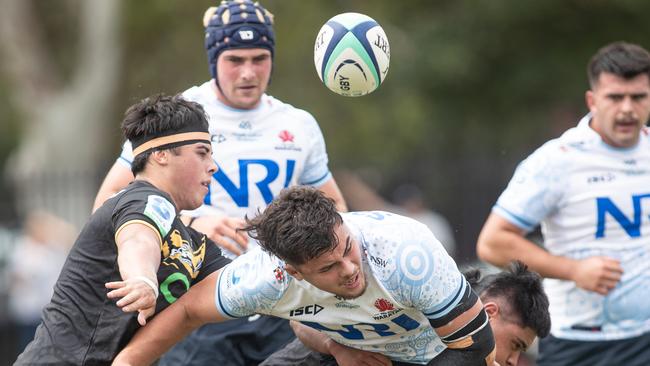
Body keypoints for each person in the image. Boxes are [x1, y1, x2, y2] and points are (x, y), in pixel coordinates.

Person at [93, 1, 347, 364]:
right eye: (235, 60)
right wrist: (193, 224)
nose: (248, 72)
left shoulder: (300, 125)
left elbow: (336, 209)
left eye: (259, 58)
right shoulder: (180, 115)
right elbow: (108, 199)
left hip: (282, 305)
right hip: (199, 303)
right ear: (215, 60)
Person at [114, 186, 496, 366]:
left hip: (437, 357)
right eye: (328, 268)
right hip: (340, 351)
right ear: (293, 271)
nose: (349, 270)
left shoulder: (407, 253)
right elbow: (186, 312)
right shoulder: (266, 278)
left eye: (347, 250)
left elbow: (475, 347)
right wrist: (127, 363)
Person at [14, 95, 230, 365]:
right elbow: (138, 240)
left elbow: (229, 289)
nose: (213, 165)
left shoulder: (197, 244)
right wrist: (142, 279)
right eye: (201, 152)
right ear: (161, 155)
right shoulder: (141, 200)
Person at [476, 41, 650, 366]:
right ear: (593, 100)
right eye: (615, 97)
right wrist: (574, 270)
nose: (627, 108)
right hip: (580, 343)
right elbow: (493, 243)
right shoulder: (557, 161)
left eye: (638, 97)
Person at [260, 260, 550, 366]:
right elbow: (299, 316)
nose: (514, 361)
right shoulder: (420, 293)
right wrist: (336, 349)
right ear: (489, 312)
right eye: (516, 345)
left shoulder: (460, 350)